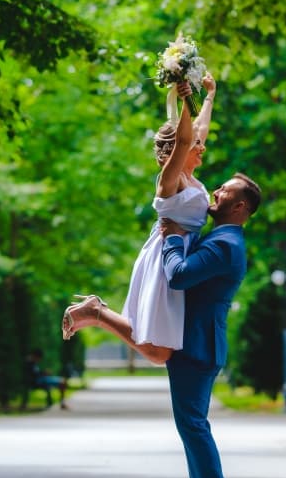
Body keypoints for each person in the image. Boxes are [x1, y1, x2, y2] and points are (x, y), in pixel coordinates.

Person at [61, 74, 217, 364]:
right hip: (164, 260)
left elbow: (199, 130)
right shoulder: (171, 182)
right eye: (197, 144)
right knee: (158, 352)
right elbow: (185, 138)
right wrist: (186, 100)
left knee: (164, 348)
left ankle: (98, 312)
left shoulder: (190, 178)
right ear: (176, 153)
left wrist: (209, 96)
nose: (202, 146)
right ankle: (97, 313)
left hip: (182, 257)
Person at [160, 171, 262, 478]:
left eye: (224, 191)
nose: (215, 192)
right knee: (191, 427)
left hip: (198, 346)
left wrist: (171, 238)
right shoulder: (222, 238)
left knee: (193, 427)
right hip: (198, 344)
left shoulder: (225, 244)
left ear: (239, 207)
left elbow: (180, 276)